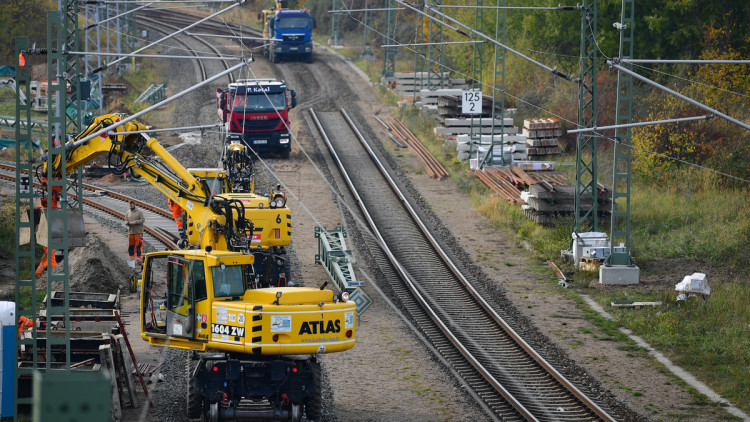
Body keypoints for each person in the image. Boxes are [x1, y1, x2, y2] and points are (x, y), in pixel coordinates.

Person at [35, 177, 61, 278]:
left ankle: (38, 272)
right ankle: (55, 273)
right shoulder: (47, 205)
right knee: (50, 257)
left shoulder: (46, 205)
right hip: (48, 235)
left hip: (47, 235)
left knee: (48, 256)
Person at [125, 200, 145, 267]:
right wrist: (126, 222)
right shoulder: (128, 212)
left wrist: (135, 222)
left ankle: (139, 260)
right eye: (130, 205)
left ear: (134, 205)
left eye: (132, 205)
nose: (130, 206)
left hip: (138, 232)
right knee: (131, 246)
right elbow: (126, 219)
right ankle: (131, 259)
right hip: (131, 232)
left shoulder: (139, 212)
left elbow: (142, 220)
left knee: (139, 246)